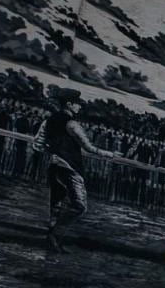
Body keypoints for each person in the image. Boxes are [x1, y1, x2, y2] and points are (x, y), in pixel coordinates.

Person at [39, 95, 117, 253]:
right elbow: (89, 147)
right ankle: (54, 237)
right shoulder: (72, 124)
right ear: (69, 104)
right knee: (79, 206)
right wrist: (111, 154)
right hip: (69, 167)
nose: (79, 107)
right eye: (77, 104)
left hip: (54, 165)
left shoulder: (49, 121)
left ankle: (52, 240)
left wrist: (53, 151)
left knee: (57, 204)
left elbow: (37, 143)